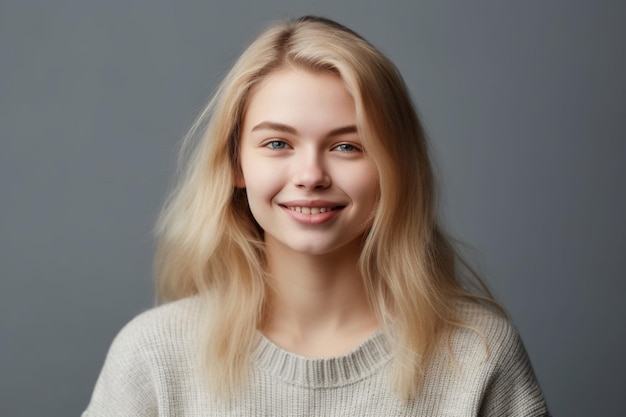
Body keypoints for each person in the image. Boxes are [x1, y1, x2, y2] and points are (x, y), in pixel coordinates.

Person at [82, 16, 549, 416]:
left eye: (347, 146)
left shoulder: (478, 356)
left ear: (394, 168)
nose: (310, 175)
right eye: (277, 144)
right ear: (235, 164)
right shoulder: (153, 355)